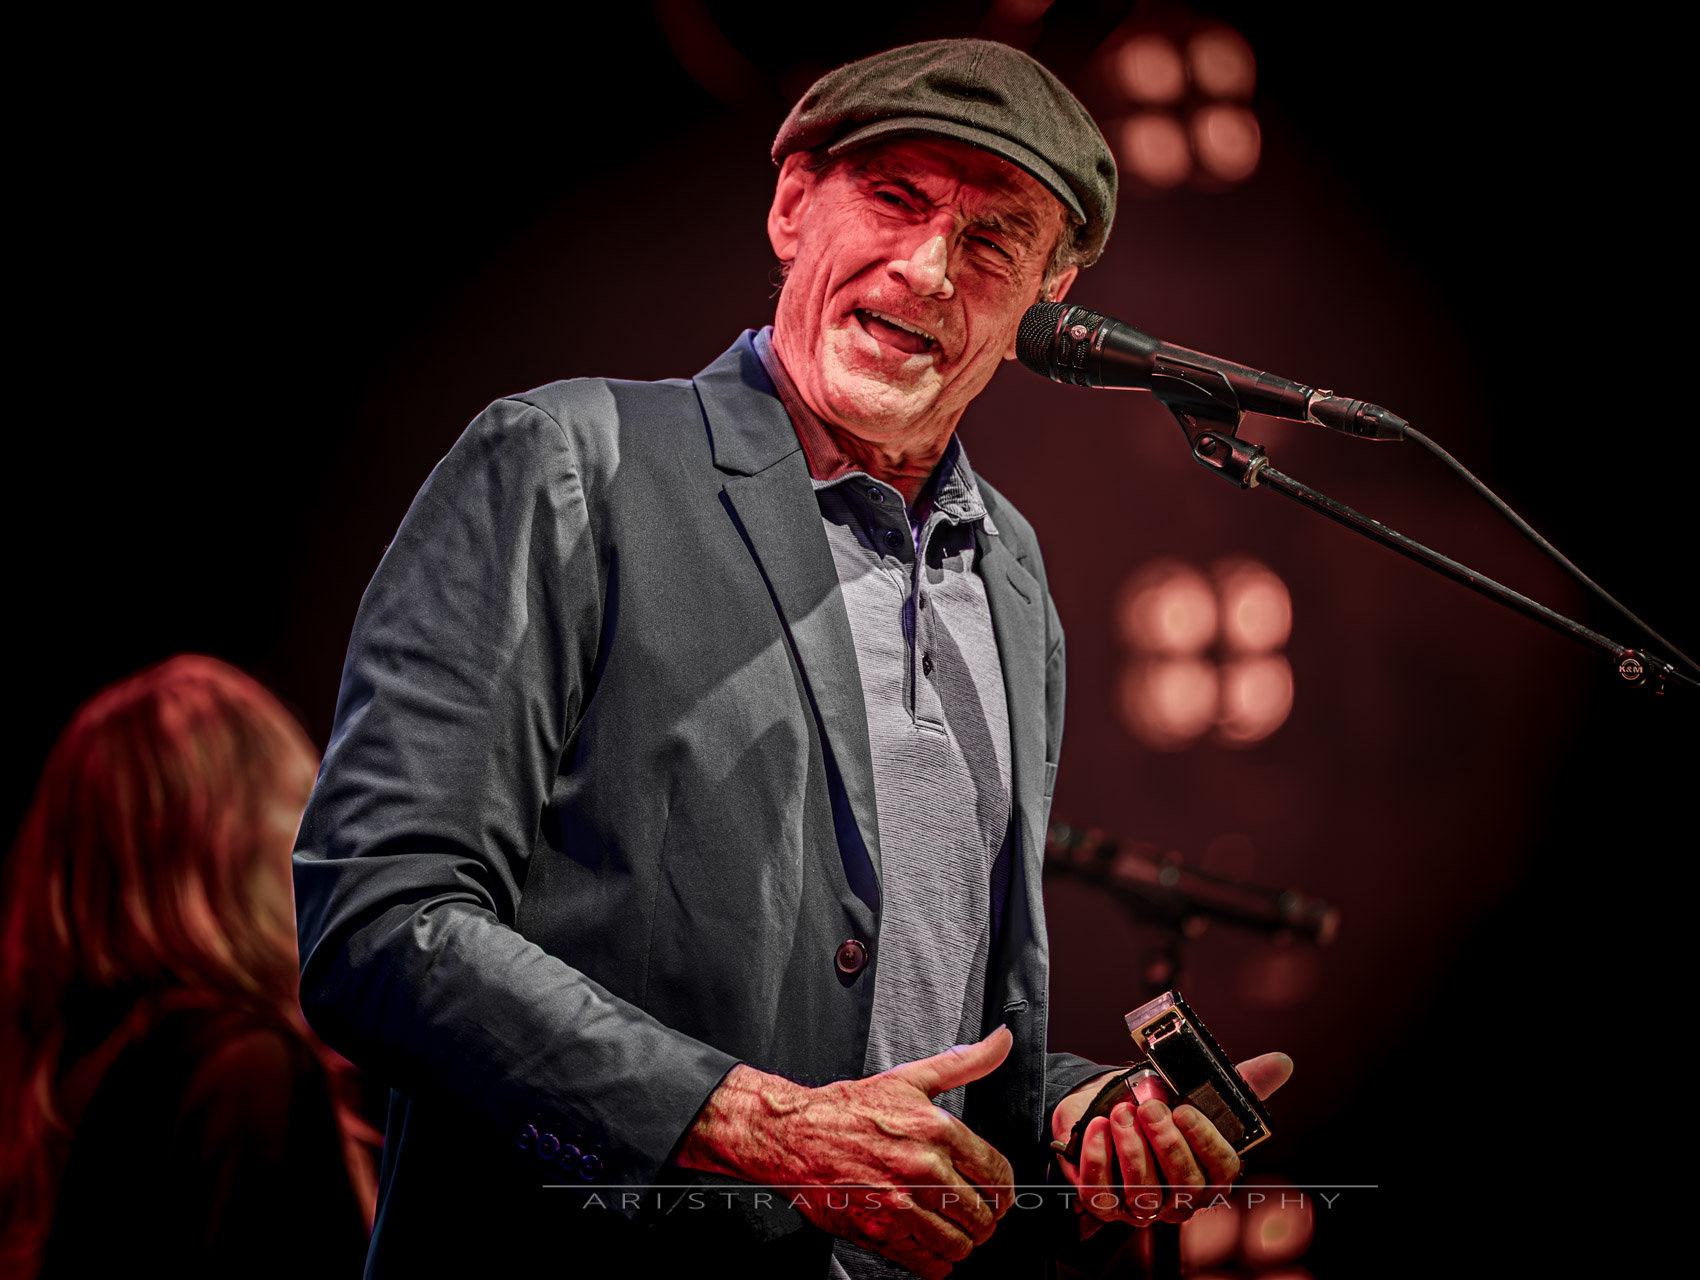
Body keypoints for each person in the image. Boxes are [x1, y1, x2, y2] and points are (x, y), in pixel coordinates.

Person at [292, 39, 1289, 1277]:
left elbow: (908, 1012)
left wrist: (1076, 1110)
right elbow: (378, 922)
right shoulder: (569, 461)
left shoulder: (1011, 572)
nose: (929, 267)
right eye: (897, 197)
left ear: (1047, 295)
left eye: (993, 241)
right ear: (792, 203)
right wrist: (758, 1127)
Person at [0, 655, 376, 1278]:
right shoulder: (247, 1074)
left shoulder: (79, 1089)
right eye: (300, 802)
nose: (333, 845)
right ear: (220, 847)